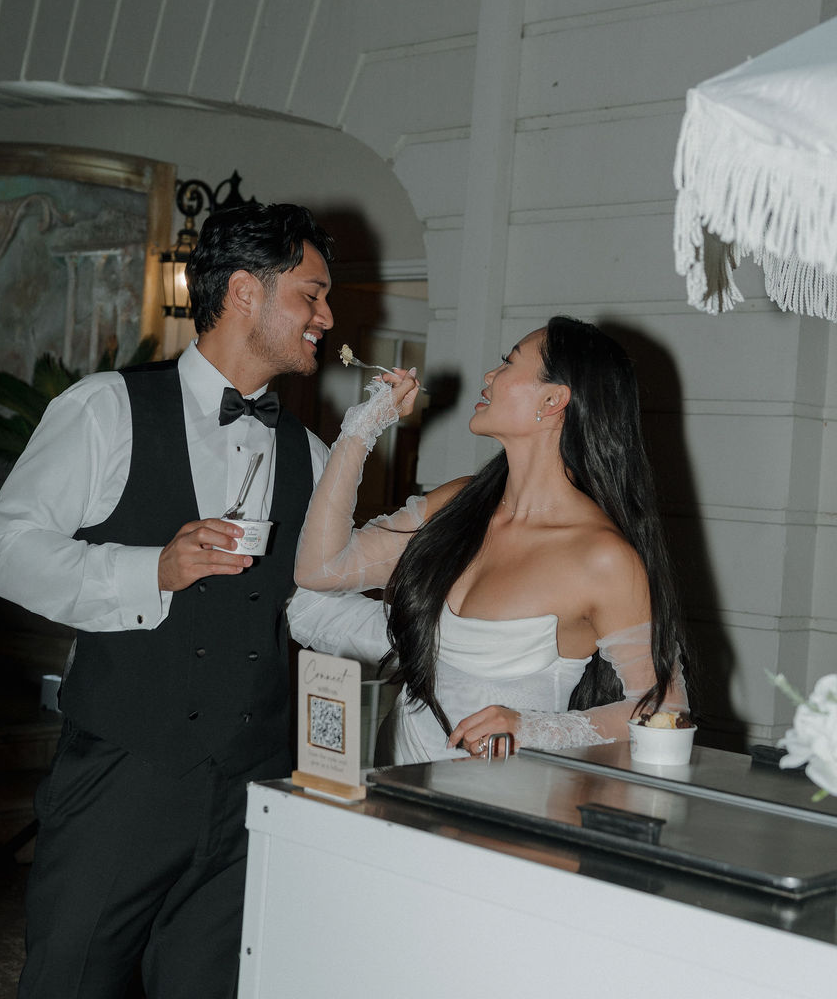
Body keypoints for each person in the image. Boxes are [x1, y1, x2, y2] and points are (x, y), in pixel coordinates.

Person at [0, 203, 336, 999]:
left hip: (250, 788)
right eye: (312, 294)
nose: (327, 318)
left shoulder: (313, 455)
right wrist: (151, 570)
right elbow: (5, 554)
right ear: (245, 291)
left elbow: (314, 612)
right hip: (121, 780)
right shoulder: (106, 409)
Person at [293, 316, 689, 763]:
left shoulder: (602, 557)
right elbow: (320, 570)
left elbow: (664, 708)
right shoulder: (455, 505)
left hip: (502, 799)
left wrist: (528, 727)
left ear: (554, 399)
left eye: (508, 362)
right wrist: (361, 430)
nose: (489, 375)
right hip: (396, 783)